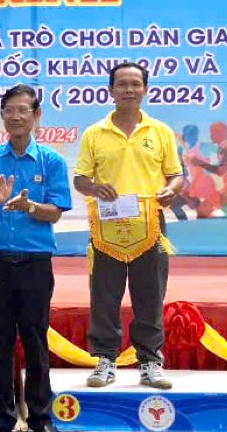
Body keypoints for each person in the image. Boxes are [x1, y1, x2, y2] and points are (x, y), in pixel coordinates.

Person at [0, 84, 71, 432]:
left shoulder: (51, 161)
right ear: (3, 115)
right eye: (9, 110)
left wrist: (30, 208)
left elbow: (55, 211)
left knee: (36, 340)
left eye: (24, 110)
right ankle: (0, 417)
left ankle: (42, 419)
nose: (16, 116)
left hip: (36, 263)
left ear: (37, 115)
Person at [73, 62, 184, 389]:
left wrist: (171, 190)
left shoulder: (160, 131)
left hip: (150, 224)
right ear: (111, 90)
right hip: (107, 226)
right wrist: (93, 189)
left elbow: (175, 174)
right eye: (122, 84)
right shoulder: (95, 133)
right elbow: (81, 178)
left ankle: (150, 362)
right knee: (104, 294)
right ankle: (105, 360)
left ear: (145, 89)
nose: (129, 89)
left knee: (150, 294)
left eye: (135, 84)